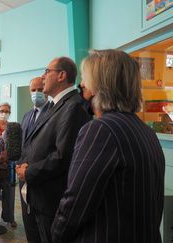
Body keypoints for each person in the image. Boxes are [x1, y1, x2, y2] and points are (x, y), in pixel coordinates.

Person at [51, 49, 165, 243]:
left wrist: (55, 235)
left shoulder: (100, 130)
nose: (82, 86)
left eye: (85, 80)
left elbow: (75, 204)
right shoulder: (146, 132)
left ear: (97, 85)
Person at [15, 57, 92, 243]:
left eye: (47, 71)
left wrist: (29, 171)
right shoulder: (57, 105)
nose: (43, 77)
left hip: (52, 199)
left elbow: (62, 156)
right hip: (39, 195)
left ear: (61, 75)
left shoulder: (72, 106)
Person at [18, 76, 49, 242]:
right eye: (33, 90)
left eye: (40, 89)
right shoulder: (27, 115)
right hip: (24, 177)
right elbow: (23, 144)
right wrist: (19, 166)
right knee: (28, 223)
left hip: (42, 177)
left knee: (43, 226)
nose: (37, 93)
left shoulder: (53, 113)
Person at [0, 103, 17, 228]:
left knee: (9, 193)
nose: (4, 113)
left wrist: (7, 157)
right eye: (2, 110)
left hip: (8, 165)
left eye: (7, 111)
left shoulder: (13, 127)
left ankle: (9, 217)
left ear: (10, 113)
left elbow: (16, 146)